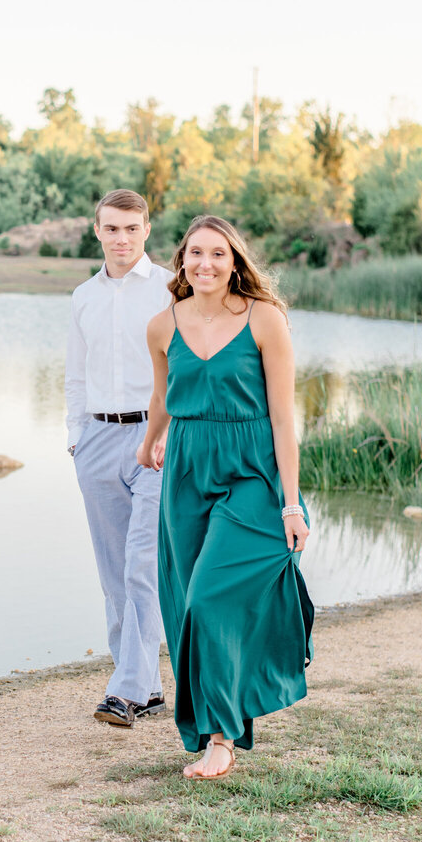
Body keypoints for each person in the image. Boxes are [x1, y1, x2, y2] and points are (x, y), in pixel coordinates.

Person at [136, 215, 313, 779]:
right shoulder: (161, 326)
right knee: (189, 603)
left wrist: (291, 503)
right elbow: (163, 395)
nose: (205, 264)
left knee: (213, 597)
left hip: (252, 471)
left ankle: (221, 739)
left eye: (217, 254)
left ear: (235, 260)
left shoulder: (265, 319)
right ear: (181, 261)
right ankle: (217, 721)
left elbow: (284, 420)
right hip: (188, 469)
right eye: (195, 254)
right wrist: (148, 443)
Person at [65, 189, 175, 728]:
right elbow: (76, 374)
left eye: (131, 228)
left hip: (154, 439)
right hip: (97, 442)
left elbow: (185, 364)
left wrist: (166, 432)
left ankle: (126, 690)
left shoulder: (169, 290)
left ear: (147, 230)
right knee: (113, 575)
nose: (122, 238)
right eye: (112, 228)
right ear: (98, 230)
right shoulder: (83, 296)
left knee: (141, 565)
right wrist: (75, 438)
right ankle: (148, 689)